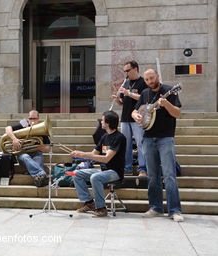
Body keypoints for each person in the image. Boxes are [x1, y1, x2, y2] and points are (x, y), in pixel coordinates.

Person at [132, 69, 184, 222]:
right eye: (147, 79)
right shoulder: (145, 93)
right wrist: (135, 115)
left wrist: (166, 103)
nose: (149, 81)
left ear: (158, 76)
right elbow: (135, 110)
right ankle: (155, 207)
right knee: (153, 176)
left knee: (169, 176)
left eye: (152, 78)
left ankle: (175, 210)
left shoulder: (170, 91)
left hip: (165, 138)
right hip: (148, 138)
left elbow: (177, 113)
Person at [70, 110, 126, 217]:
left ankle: (101, 208)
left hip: (115, 172)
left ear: (108, 123)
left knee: (95, 177)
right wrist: (79, 155)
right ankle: (89, 203)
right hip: (104, 171)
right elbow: (93, 154)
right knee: (76, 174)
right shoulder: (104, 136)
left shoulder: (119, 137)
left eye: (103, 120)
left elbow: (106, 159)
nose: (101, 122)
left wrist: (83, 154)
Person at [112, 60, 147, 176]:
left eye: (128, 70)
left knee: (140, 143)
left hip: (138, 117)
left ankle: (143, 169)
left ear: (135, 68)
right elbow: (123, 101)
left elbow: (144, 98)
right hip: (125, 117)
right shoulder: (126, 83)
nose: (126, 73)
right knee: (125, 144)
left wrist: (129, 93)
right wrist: (117, 99)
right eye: (124, 71)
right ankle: (127, 169)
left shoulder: (143, 82)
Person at [4, 110, 50, 187]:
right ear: (28, 118)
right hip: (23, 153)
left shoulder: (42, 129)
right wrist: (14, 139)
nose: (32, 120)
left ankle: (39, 177)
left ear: (38, 119)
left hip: (36, 153)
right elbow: (8, 128)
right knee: (25, 157)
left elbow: (48, 147)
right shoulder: (23, 125)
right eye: (30, 118)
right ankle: (41, 174)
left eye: (34, 118)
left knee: (38, 158)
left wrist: (43, 148)